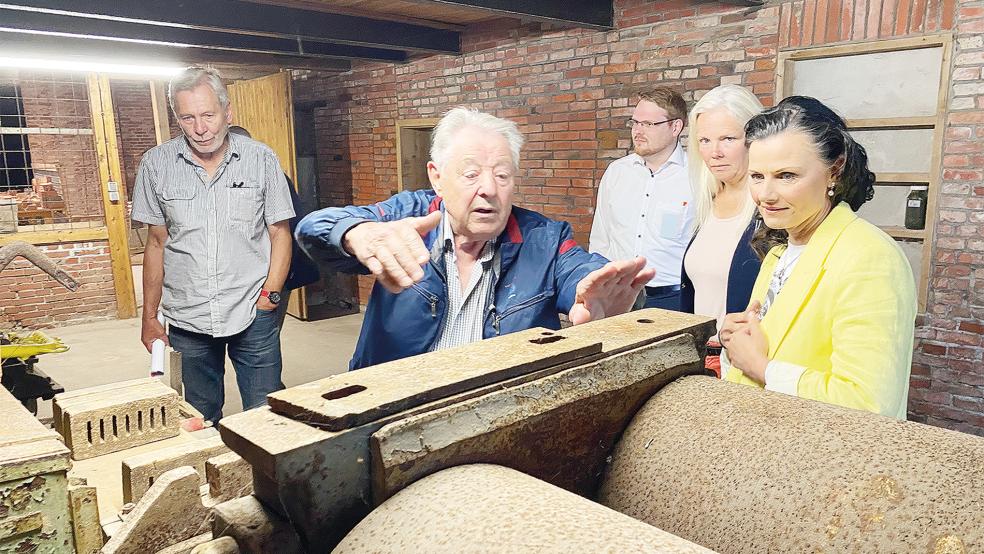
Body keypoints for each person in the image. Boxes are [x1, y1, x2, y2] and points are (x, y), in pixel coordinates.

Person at [296, 107, 654, 370]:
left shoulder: (543, 238)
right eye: (471, 174)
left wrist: (607, 299)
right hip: (395, 402)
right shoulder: (410, 216)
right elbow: (313, 228)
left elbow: (583, 272)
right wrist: (356, 232)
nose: (488, 189)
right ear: (437, 177)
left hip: (494, 407)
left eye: (502, 175)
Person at [719, 96, 916, 419]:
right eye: (757, 176)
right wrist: (736, 343)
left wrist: (761, 367)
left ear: (834, 171)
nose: (766, 195)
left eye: (787, 176)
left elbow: (868, 402)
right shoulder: (779, 254)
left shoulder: (870, 257)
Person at [131, 67, 295, 424]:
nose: (200, 128)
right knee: (199, 416)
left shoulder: (260, 158)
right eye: (188, 118)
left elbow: (280, 232)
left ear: (227, 113)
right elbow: (156, 244)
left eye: (208, 115)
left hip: (252, 311)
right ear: (177, 117)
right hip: (188, 318)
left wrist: (271, 296)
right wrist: (149, 317)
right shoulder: (156, 165)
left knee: (266, 414)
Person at [680, 85, 763, 376]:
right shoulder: (707, 203)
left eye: (728, 138)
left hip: (743, 366)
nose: (714, 152)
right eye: (704, 140)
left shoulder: (769, 212)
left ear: (754, 140)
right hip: (700, 359)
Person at [589, 88, 696, 311]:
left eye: (648, 124)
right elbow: (601, 238)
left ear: (675, 127)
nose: (637, 131)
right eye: (635, 123)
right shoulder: (616, 172)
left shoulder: (697, 177)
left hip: (673, 301)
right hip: (616, 299)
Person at [227, 125, 321, 328]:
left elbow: (289, 229)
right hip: (239, 278)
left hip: (271, 275)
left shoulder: (272, 178)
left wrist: (275, 286)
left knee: (263, 339)